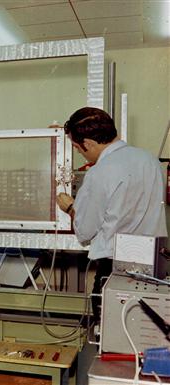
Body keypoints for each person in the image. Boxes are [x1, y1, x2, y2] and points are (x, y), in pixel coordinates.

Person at [56, 107, 167, 321]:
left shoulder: (100, 172)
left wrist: (70, 207)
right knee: (146, 333)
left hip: (115, 270)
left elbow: (85, 232)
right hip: (154, 269)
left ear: (88, 143)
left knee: (111, 338)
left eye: (78, 148)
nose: (80, 152)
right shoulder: (151, 161)